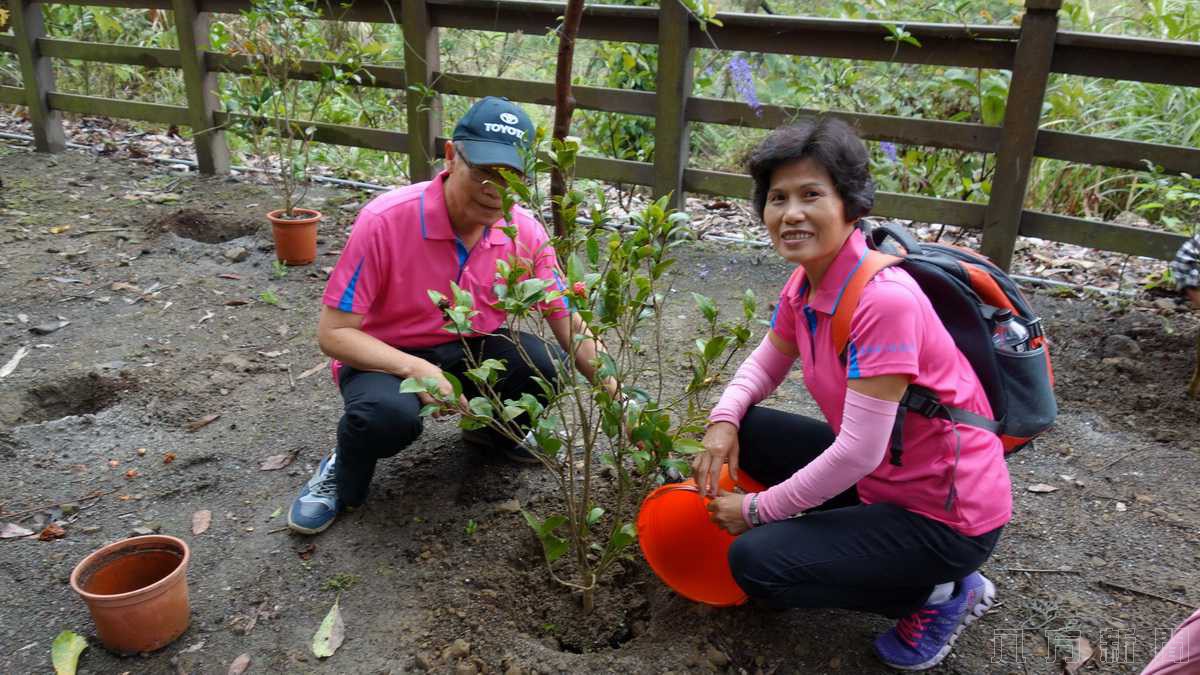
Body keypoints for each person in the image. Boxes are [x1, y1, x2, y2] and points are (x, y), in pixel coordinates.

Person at [693, 117, 1011, 671]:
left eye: (811, 195)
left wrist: (758, 510)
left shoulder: (883, 300)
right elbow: (770, 358)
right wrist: (722, 418)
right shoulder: (808, 281)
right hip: (887, 478)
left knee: (757, 565)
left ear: (851, 204)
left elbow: (859, 450)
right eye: (778, 198)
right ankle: (910, 566)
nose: (791, 213)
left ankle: (937, 592)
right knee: (747, 426)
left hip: (944, 514)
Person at [288, 97, 603, 535]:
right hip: (385, 355)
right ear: (452, 156)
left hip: (472, 346)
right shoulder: (385, 221)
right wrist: (417, 368)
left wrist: (617, 395)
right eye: (485, 173)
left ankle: (492, 434)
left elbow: (565, 317)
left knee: (547, 366)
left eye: (513, 177)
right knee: (385, 418)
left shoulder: (523, 230)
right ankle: (341, 470)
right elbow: (334, 334)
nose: (497, 190)